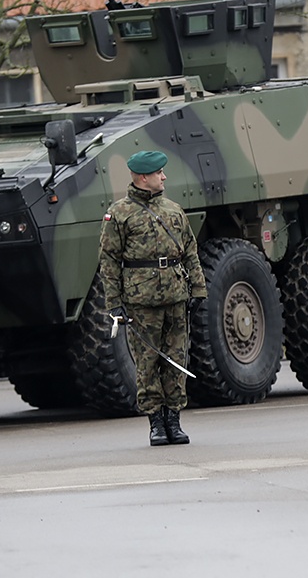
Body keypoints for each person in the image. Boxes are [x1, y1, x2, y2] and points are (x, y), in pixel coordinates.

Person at [99, 151, 208, 445]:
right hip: (140, 301)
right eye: (159, 173)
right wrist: (114, 303)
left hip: (175, 297)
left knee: (176, 360)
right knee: (147, 364)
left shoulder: (173, 210)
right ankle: (155, 423)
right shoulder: (119, 214)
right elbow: (108, 261)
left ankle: (174, 420)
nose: (164, 177)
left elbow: (190, 252)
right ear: (143, 177)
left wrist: (198, 289)